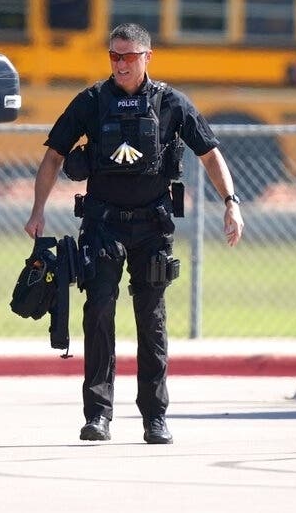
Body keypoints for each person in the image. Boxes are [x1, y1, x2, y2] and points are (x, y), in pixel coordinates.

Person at [24, 23, 244, 445]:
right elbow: (53, 156)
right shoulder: (91, 102)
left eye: (129, 56)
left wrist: (231, 203)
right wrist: (38, 210)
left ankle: (155, 418)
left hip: (152, 226)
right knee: (99, 313)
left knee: (152, 320)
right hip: (103, 224)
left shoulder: (170, 102)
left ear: (148, 56)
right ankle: (98, 415)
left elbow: (210, 153)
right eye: (114, 56)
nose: (121, 64)